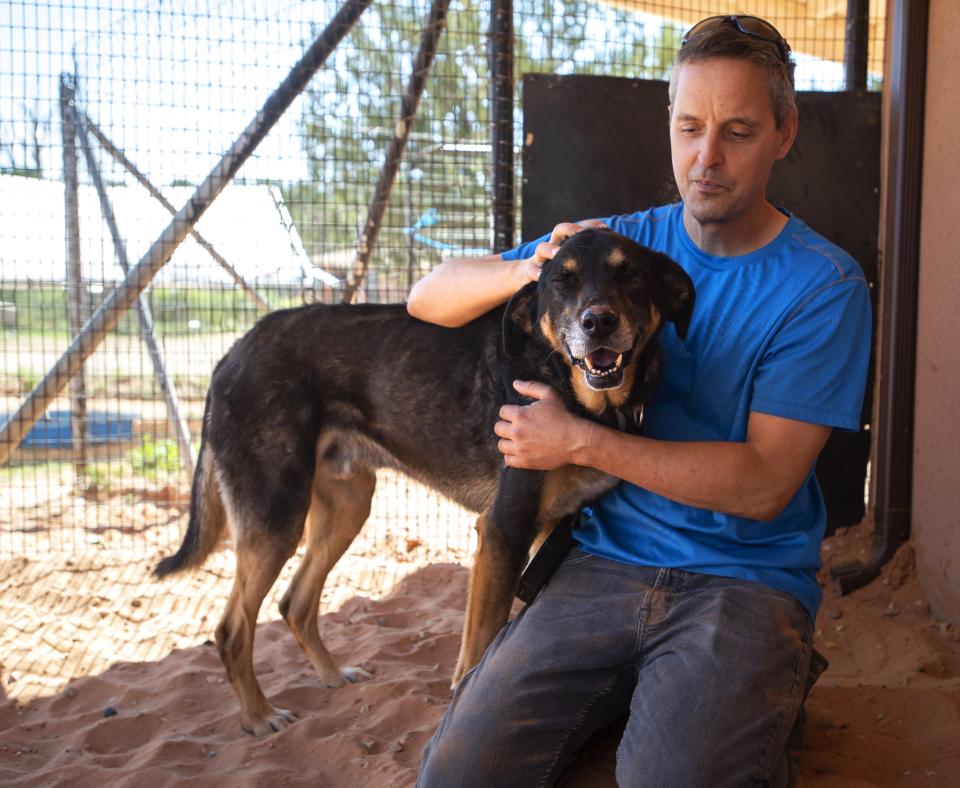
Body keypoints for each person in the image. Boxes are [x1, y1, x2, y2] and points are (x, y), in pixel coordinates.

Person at [409, 15, 872, 788]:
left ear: (786, 132)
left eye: (738, 131)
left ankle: (761, 686)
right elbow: (430, 297)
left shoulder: (822, 287)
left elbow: (762, 486)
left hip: (742, 581)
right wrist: (536, 271)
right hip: (600, 567)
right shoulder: (608, 246)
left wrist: (579, 444)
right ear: (668, 124)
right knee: (457, 774)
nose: (707, 157)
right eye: (689, 127)